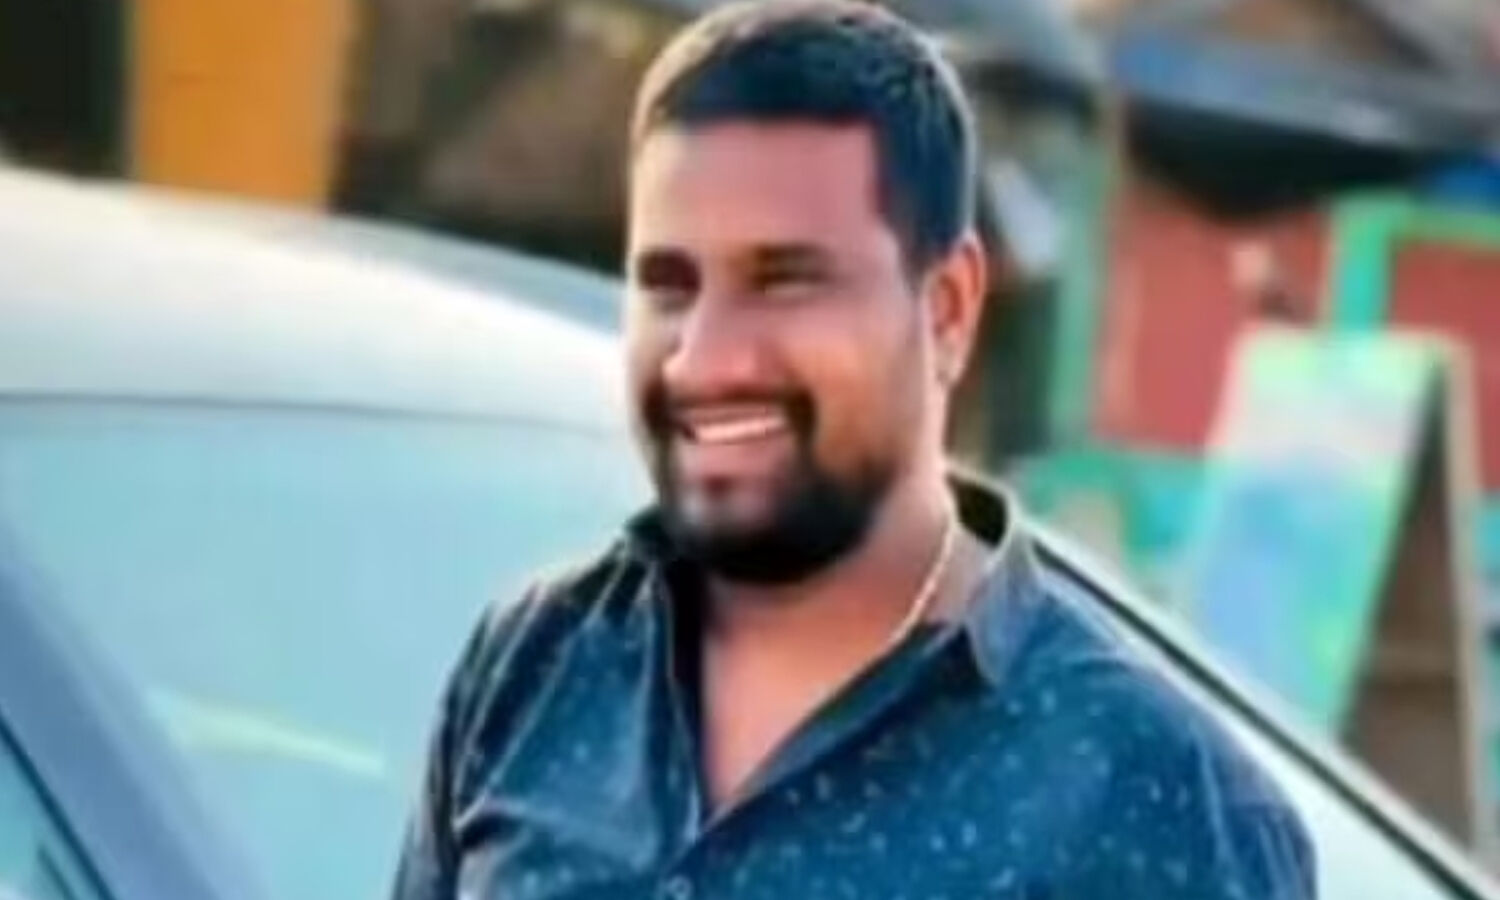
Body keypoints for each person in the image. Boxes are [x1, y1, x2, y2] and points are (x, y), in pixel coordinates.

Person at [391, 2, 1315, 898]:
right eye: (670, 287)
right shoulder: (537, 665)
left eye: (785, 282)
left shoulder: (1150, 793)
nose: (706, 358)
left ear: (946, 309)